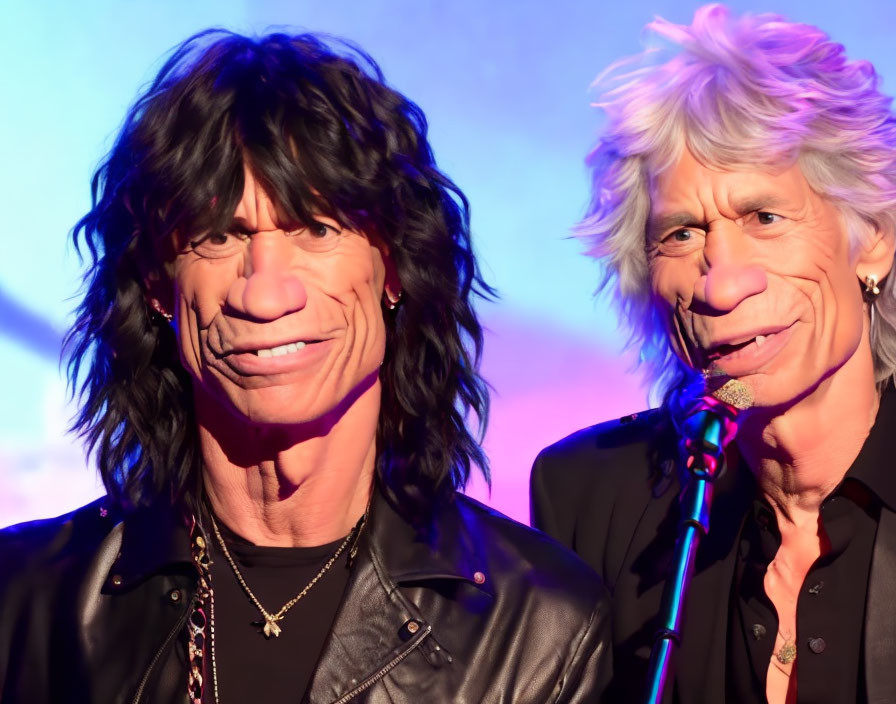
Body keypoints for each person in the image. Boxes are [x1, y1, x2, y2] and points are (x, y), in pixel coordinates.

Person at [0, 30, 610, 704]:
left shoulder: (541, 625)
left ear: (395, 266)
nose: (265, 293)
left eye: (315, 229)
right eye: (217, 236)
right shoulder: (27, 600)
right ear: (155, 283)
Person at [531, 5, 896, 703]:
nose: (722, 282)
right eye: (680, 235)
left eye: (764, 217)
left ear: (872, 238)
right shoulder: (588, 501)